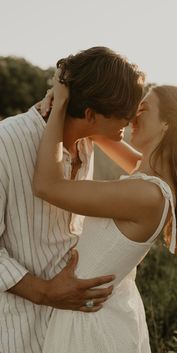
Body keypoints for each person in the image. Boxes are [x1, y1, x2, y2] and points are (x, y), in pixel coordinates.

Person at [33, 71, 177, 353]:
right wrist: (77, 101)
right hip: (101, 313)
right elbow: (99, 131)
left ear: (167, 124)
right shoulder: (149, 178)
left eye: (144, 109)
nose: (133, 116)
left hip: (91, 329)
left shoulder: (146, 195)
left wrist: (61, 105)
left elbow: (47, 186)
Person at [0, 47, 145, 353]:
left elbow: (145, 168)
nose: (130, 119)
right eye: (122, 113)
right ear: (90, 114)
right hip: (17, 328)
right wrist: (45, 293)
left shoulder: (88, 142)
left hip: (72, 330)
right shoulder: (7, 142)